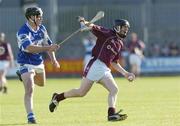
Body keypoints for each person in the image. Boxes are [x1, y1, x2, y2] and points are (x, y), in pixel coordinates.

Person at [49, 17, 135, 121]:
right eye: (124, 28)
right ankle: (57, 97)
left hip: (104, 68)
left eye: (127, 28)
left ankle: (111, 114)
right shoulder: (107, 33)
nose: (126, 30)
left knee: (114, 89)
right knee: (81, 92)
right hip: (95, 64)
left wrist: (125, 73)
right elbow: (92, 26)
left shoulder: (119, 43)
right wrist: (83, 22)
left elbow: (114, 62)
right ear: (117, 27)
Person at [16, 7, 60, 124]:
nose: (40, 18)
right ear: (30, 17)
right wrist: (48, 48)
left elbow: (48, 44)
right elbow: (29, 48)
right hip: (25, 61)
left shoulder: (42, 29)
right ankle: (31, 116)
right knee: (29, 89)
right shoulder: (23, 31)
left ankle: (23, 76)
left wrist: (53, 60)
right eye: (38, 16)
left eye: (40, 15)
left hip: (38, 62)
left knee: (41, 83)